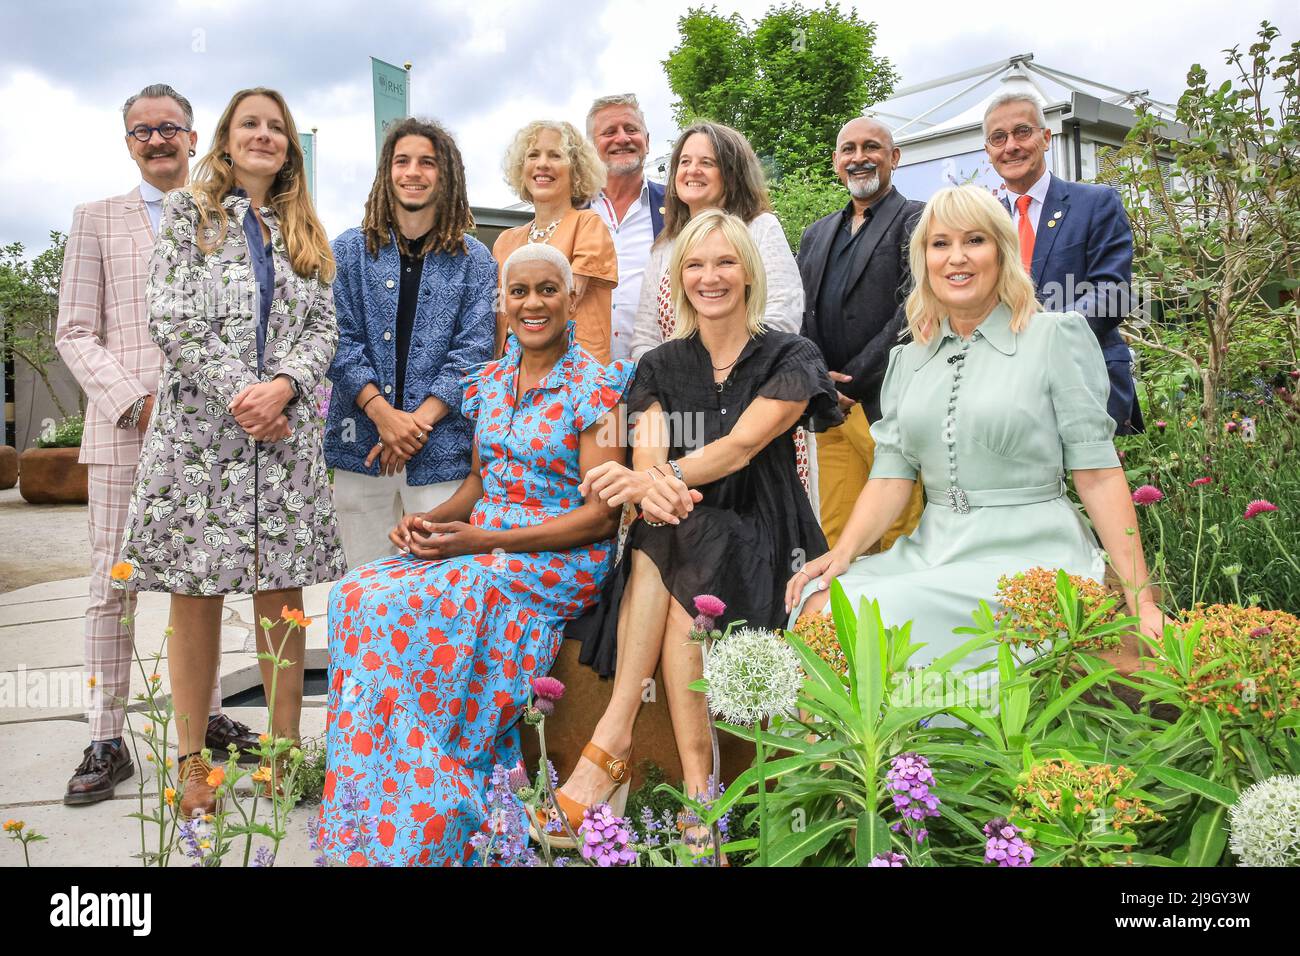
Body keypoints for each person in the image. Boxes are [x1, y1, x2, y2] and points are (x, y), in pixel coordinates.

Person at [317, 243, 632, 866]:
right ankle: (369, 813)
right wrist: (427, 524)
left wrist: (482, 542)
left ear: (571, 300)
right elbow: (481, 485)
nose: (532, 304)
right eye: (519, 292)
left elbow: (602, 515)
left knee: (422, 609)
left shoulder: (598, 387)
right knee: (356, 594)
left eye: (548, 290)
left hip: (556, 559)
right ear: (503, 305)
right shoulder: (489, 382)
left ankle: (436, 821)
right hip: (483, 544)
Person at [785, 185, 1164, 676]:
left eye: (975, 241)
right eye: (939, 244)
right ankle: (869, 754)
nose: (956, 257)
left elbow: (1097, 473)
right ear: (923, 260)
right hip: (933, 550)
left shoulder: (1054, 337)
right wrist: (842, 553)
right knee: (814, 603)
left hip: (1033, 556)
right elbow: (891, 475)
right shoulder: (908, 359)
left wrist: (1141, 597)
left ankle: (924, 750)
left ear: (1002, 252)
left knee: (862, 616)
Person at [559, 210, 840, 841]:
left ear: (748, 271)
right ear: (678, 278)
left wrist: (655, 484)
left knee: (674, 537)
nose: (708, 276)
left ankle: (615, 740)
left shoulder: (790, 355)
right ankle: (697, 794)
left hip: (766, 526)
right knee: (671, 535)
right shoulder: (660, 363)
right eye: (694, 264)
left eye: (723, 262)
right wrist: (650, 484)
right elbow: (652, 453)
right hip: (682, 527)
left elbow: (740, 448)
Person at [116, 87, 346, 816]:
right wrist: (242, 393)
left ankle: (282, 756)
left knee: (282, 598)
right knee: (197, 594)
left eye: (277, 127)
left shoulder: (306, 230)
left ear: (290, 147)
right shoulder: (191, 214)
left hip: (282, 440)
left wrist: (282, 387)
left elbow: (324, 332)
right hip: (201, 442)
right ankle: (192, 765)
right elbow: (172, 318)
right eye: (251, 123)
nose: (264, 135)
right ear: (224, 137)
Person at [55, 83, 260, 807]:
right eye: (143, 131)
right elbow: (74, 332)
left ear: (194, 136)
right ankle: (106, 737)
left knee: (199, 586)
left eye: (170, 127)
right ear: (128, 143)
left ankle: (200, 723)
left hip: (207, 442)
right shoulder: (96, 221)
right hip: (126, 435)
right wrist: (134, 403)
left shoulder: (226, 219)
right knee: (112, 591)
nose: (157, 139)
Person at [325, 118, 496, 568]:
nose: (413, 172)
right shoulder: (346, 252)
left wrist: (413, 426)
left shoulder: (475, 260)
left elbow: (474, 351)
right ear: (387, 171)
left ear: (446, 175)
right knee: (364, 587)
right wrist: (383, 416)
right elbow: (340, 342)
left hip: (441, 453)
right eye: (402, 161)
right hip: (361, 447)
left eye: (427, 162)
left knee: (437, 592)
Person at [798, 116, 925, 551]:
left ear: (894, 158)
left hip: (886, 402)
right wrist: (819, 380)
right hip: (830, 410)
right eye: (848, 149)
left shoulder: (918, 220)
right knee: (837, 533)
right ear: (836, 162)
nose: (859, 158)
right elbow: (803, 314)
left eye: (871, 147)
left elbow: (915, 308)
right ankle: (840, 619)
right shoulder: (815, 234)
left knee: (897, 531)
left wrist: (853, 379)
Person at [983, 90, 1143, 434]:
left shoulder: (1095, 203)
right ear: (988, 152)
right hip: (1004, 391)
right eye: (998, 137)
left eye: (1022, 132)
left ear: (1045, 138)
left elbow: (1113, 292)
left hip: (1086, 380)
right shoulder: (982, 220)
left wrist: (1044, 335)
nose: (1010, 145)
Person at [629, 122, 803, 360]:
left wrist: (723, 374)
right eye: (685, 161)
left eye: (706, 163)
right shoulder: (665, 246)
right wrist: (661, 381)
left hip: (749, 382)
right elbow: (645, 338)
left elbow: (782, 316)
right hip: (674, 386)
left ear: (732, 173)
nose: (692, 170)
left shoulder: (760, 228)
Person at [492, 120, 617, 363]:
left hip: (574, 381)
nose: (542, 164)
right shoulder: (504, 242)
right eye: (533, 155)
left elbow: (564, 302)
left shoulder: (588, 225)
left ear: (576, 169)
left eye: (555, 155)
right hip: (510, 380)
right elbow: (498, 311)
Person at [585, 94, 666, 362]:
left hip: (661, 379)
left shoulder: (679, 209)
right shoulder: (571, 213)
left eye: (631, 130)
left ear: (647, 141)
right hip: (584, 382)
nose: (622, 138)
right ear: (590, 148)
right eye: (609, 132)